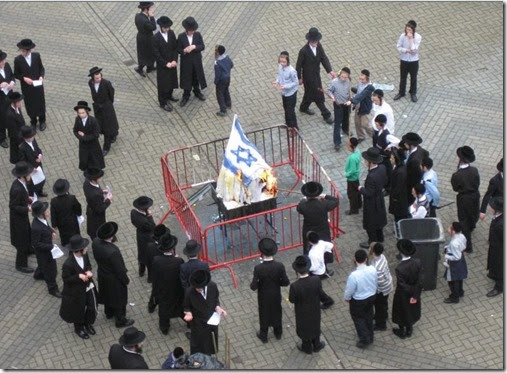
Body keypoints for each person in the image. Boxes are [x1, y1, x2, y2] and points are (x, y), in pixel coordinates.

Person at [92, 221, 135, 327]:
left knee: (107, 295)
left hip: (102, 274)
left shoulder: (96, 242)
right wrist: (126, 280)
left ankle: (109, 313)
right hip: (114, 279)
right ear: (111, 236)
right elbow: (119, 269)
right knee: (119, 299)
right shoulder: (113, 251)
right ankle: (120, 320)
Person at [250, 237, 290, 343]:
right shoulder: (279, 266)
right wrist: (277, 283)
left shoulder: (258, 268)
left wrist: (259, 284)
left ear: (261, 253)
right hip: (276, 294)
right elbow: (286, 282)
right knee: (277, 311)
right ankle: (278, 332)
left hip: (263, 295)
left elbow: (253, 286)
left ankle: (264, 335)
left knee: (264, 313)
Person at [59, 234, 98, 339]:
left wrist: (89, 271)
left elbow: (88, 265)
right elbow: (66, 279)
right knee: (78, 310)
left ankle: (87, 323)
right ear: (79, 250)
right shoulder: (68, 264)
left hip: (88, 287)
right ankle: (79, 328)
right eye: (84, 247)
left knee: (91, 307)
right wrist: (78, 276)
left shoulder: (85, 255)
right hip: (76, 292)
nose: (86, 248)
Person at [183, 269, 227, 355]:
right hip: (198, 323)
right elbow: (186, 306)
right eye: (196, 287)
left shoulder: (213, 286)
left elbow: (215, 299)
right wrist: (188, 313)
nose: (198, 289)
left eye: (199, 288)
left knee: (211, 341)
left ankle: (209, 354)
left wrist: (218, 307)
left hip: (211, 321)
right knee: (199, 344)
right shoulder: (189, 292)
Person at [296, 27, 335, 124]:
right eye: (313, 41)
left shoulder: (319, 46)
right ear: (309, 40)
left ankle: (303, 107)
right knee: (318, 95)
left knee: (309, 93)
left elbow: (323, 58)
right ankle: (326, 114)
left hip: (316, 75)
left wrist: (329, 70)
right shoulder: (303, 51)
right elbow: (298, 65)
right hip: (308, 77)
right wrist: (299, 78)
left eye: (316, 41)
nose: (315, 43)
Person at [289, 255, 326, 354]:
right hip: (314, 309)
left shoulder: (294, 286)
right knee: (315, 325)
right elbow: (319, 292)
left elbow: (292, 300)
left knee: (304, 328)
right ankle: (317, 345)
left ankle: (307, 347)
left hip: (302, 311)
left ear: (297, 271)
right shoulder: (316, 280)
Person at [344, 249, 377, 348]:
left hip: (358, 300)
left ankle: (364, 339)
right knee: (369, 315)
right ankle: (370, 335)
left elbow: (350, 290)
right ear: (366, 259)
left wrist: (347, 298)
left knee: (359, 320)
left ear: (355, 259)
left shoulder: (353, 276)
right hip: (371, 297)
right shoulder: (372, 269)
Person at [152, 232, 184, 335]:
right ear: (173, 248)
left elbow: (155, 275)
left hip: (162, 289)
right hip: (175, 289)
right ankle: (188, 321)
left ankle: (164, 327)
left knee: (163, 309)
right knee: (180, 306)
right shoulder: (178, 261)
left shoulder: (156, 260)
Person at [451, 146, 480, 253]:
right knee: (473, 213)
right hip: (475, 195)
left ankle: (468, 246)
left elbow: (455, 188)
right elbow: (477, 183)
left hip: (464, 198)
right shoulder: (474, 170)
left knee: (463, 221)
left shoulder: (457, 175)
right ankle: (472, 225)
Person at [392, 239, 423, 339]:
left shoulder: (400, 268)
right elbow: (420, 280)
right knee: (411, 311)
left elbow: (402, 285)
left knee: (401, 312)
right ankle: (409, 329)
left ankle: (402, 332)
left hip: (402, 295)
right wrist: (415, 295)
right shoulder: (417, 262)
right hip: (414, 292)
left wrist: (410, 292)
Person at [297, 181, 339, 254]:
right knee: (324, 253)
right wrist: (325, 196)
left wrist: (303, 199)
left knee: (309, 253)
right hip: (323, 233)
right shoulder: (324, 204)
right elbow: (336, 201)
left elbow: (299, 207)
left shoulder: (303, 205)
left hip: (309, 234)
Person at [13, 39, 46, 131]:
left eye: (23, 51)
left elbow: (41, 68)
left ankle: (42, 120)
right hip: (27, 87)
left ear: (29, 50)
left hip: (38, 85)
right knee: (30, 104)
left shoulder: (36, 56)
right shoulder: (18, 60)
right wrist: (24, 78)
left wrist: (41, 76)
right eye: (21, 50)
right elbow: (16, 74)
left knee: (40, 103)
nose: (21, 52)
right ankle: (33, 121)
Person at [358, 148, 388, 248]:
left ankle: (372, 242)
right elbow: (383, 179)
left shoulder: (371, 176)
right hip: (379, 198)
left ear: (370, 162)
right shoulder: (382, 168)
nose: (364, 162)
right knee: (379, 220)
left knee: (370, 223)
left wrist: (361, 188)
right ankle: (380, 238)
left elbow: (369, 193)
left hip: (372, 203)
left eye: (366, 160)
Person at [31, 201, 61, 297]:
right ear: (41, 214)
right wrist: (51, 246)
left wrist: (51, 231)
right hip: (44, 252)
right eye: (46, 210)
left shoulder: (42, 220)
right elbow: (36, 244)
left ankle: (38, 274)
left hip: (46, 249)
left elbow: (46, 226)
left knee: (42, 265)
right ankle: (52, 289)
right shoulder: (36, 228)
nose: (48, 211)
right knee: (51, 271)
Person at [9, 161, 35, 273]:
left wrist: (27, 198)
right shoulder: (16, 189)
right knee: (21, 240)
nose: (30, 176)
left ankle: (29, 249)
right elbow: (13, 206)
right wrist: (27, 208)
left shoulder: (21, 184)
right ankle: (21, 264)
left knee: (27, 233)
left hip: (22, 217)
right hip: (18, 220)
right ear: (23, 176)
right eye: (28, 174)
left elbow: (21, 197)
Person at [88, 66, 119, 156]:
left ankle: (106, 147)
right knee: (102, 123)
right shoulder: (90, 83)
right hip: (98, 108)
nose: (99, 79)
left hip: (106, 107)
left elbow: (111, 93)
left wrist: (109, 103)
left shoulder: (106, 83)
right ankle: (114, 133)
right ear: (93, 78)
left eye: (100, 77)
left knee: (107, 127)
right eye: (97, 78)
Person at [177, 17, 207, 107]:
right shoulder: (181, 37)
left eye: (193, 30)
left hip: (196, 61)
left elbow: (202, 46)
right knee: (187, 79)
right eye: (191, 30)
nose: (192, 32)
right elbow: (178, 49)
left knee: (196, 77)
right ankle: (186, 95)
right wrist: (184, 50)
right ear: (186, 29)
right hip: (186, 62)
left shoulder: (198, 35)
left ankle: (197, 92)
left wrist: (194, 47)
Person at [152, 16, 179, 112]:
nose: (167, 29)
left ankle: (169, 95)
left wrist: (175, 60)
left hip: (172, 63)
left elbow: (175, 48)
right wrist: (165, 64)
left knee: (171, 80)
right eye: (165, 28)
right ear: (161, 27)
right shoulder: (156, 38)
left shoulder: (171, 33)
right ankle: (162, 102)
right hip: (163, 66)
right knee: (163, 84)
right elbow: (156, 54)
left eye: (168, 27)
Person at [73, 100, 105, 172]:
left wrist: (84, 137)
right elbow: (75, 130)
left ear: (87, 112)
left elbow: (96, 134)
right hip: (83, 144)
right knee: (84, 158)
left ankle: (97, 170)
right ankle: (87, 170)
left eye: (83, 113)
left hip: (93, 144)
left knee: (94, 158)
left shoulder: (93, 121)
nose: (81, 115)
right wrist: (80, 136)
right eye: (79, 113)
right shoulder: (77, 119)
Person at [394, 20, 421, 103]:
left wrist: (410, 40)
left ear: (413, 30)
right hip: (404, 59)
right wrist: (406, 50)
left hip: (414, 61)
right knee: (403, 77)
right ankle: (401, 92)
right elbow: (398, 46)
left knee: (413, 77)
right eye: (407, 29)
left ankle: (413, 93)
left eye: (410, 30)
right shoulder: (402, 36)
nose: (408, 31)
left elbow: (414, 49)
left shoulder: (418, 37)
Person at [368, 242, 393, 331]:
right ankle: (384, 316)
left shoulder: (377, 268)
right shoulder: (382, 257)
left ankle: (381, 325)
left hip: (382, 290)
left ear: (373, 251)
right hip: (387, 286)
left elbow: (380, 282)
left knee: (379, 307)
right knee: (383, 304)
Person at [50, 179, 82, 246]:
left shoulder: (53, 201)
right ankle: (77, 243)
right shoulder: (72, 198)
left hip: (61, 223)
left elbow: (53, 214)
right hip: (72, 221)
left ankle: (65, 242)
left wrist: (54, 225)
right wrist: (79, 214)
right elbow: (78, 207)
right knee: (75, 232)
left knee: (63, 234)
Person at [326, 67, 351, 151]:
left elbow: (349, 90)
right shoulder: (334, 82)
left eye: (345, 77)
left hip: (346, 103)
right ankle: (337, 142)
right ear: (339, 75)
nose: (344, 79)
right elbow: (329, 91)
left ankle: (345, 129)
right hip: (338, 104)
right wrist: (332, 97)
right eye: (342, 77)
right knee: (337, 123)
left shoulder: (348, 80)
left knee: (346, 118)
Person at [346, 69, 374, 143]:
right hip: (358, 105)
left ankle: (374, 135)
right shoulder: (360, 83)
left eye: (363, 79)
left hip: (365, 107)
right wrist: (352, 88)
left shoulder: (370, 88)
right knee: (357, 122)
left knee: (365, 124)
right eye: (360, 78)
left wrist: (351, 101)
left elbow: (362, 95)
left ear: (367, 79)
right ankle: (361, 136)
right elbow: (358, 92)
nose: (361, 80)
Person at [130, 196, 156, 278]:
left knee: (141, 254)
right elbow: (152, 227)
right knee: (149, 257)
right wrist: (150, 216)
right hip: (148, 238)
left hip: (140, 236)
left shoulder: (133, 212)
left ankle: (141, 271)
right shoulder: (145, 221)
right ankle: (150, 277)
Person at [83, 168, 112, 240]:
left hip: (90, 209)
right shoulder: (95, 195)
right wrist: (108, 200)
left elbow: (94, 191)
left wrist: (101, 191)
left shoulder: (86, 183)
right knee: (97, 228)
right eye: (99, 177)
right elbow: (100, 209)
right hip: (96, 216)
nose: (101, 178)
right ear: (93, 179)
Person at [442, 222, 467, 303]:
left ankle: (454, 297)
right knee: (459, 278)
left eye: (450, 228)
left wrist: (446, 256)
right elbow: (464, 246)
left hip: (454, 263)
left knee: (452, 280)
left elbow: (456, 257)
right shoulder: (462, 236)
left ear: (453, 231)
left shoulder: (453, 243)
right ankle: (460, 291)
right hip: (461, 261)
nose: (448, 229)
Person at [272, 51, 298, 128]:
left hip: (291, 94)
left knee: (290, 111)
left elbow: (295, 82)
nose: (282, 63)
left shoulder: (292, 71)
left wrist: (286, 86)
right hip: (284, 93)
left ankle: (294, 127)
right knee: (286, 109)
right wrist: (277, 82)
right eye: (281, 62)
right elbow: (279, 76)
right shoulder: (280, 66)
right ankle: (287, 124)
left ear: (288, 61)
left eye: (284, 62)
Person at [401, 132, 429, 203]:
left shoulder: (414, 161)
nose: (404, 144)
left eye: (406, 143)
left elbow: (414, 178)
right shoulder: (419, 148)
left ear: (411, 145)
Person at [18, 125, 46, 196]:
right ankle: (34, 195)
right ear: (25, 138)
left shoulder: (33, 140)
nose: (33, 138)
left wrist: (40, 155)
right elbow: (23, 161)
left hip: (38, 165)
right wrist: (31, 169)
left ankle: (40, 192)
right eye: (30, 137)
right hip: (30, 170)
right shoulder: (22, 148)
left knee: (41, 180)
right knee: (32, 184)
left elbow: (37, 149)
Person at [486, 197, 503, 297]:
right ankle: (493, 273)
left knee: (499, 267)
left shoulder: (501, 224)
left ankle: (499, 286)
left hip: (500, 249)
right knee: (494, 263)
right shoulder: (498, 216)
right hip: (495, 246)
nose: (490, 208)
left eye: (492, 207)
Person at [134, 1, 156, 77]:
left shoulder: (137, 16)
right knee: (146, 54)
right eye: (151, 8)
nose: (152, 9)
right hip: (146, 39)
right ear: (146, 9)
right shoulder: (145, 21)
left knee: (147, 53)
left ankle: (150, 67)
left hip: (140, 36)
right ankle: (140, 68)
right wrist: (152, 17)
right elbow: (153, 27)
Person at [372, 114, 392, 193]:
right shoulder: (380, 131)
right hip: (380, 156)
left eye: (377, 124)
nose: (376, 126)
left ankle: (388, 189)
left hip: (385, 158)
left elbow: (389, 149)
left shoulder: (387, 135)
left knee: (387, 173)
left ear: (382, 124)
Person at [0, 49, 16, 148]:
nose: (4, 62)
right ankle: (2, 138)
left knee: (11, 116)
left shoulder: (7, 66)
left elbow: (12, 76)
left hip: (9, 96)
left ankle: (12, 133)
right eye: (1, 61)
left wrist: (12, 83)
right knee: (1, 119)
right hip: (0, 100)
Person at [389, 148, 409, 222]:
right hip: (397, 198)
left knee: (399, 216)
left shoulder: (400, 172)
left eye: (392, 158)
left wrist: (394, 197)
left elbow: (398, 187)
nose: (390, 159)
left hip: (399, 200)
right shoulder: (397, 167)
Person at [5, 91, 26, 164]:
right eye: (19, 102)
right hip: (16, 139)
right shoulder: (10, 115)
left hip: (21, 135)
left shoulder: (17, 108)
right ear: (14, 102)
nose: (20, 103)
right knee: (18, 155)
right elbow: (13, 131)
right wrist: (20, 142)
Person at [214, 45, 233, 117]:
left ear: (218, 52)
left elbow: (217, 75)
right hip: (228, 77)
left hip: (221, 80)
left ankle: (223, 110)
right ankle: (228, 104)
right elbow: (231, 65)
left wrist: (216, 82)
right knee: (226, 90)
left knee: (220, 94)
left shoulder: (217, 63)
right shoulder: (227, 57)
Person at [345, 137, 362, 215]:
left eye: (348, 145)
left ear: (353, 146)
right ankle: (359, 204)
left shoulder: (352, 158)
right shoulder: (358, 151)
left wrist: (346, 174)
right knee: (357, 192)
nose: (347, 147)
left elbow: (352, 170)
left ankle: (354, 209)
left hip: (352, 178)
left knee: (352, 194)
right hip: (356, 177)